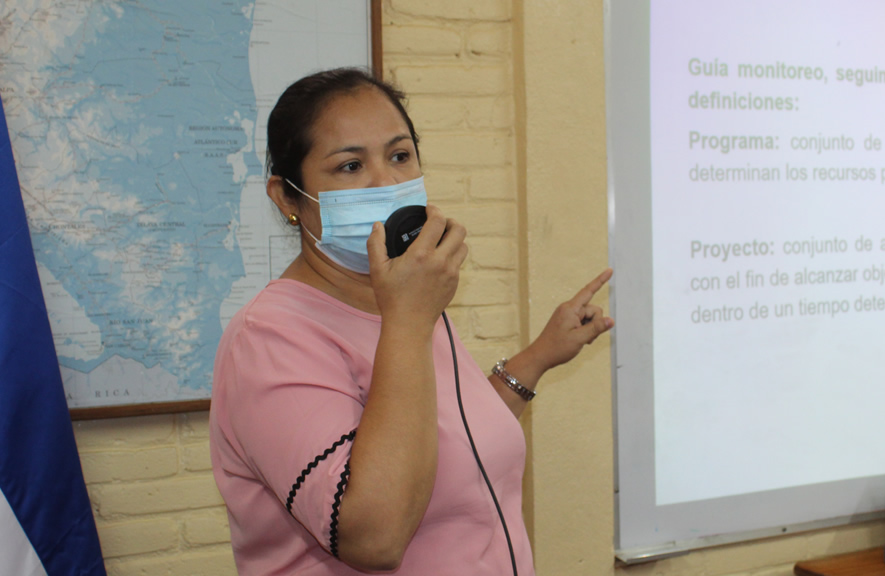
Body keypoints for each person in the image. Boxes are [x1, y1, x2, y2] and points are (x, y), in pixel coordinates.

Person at [208, 67, 613, 576]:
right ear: (287, 198)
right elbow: (373, 536)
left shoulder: (404, 300)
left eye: (400, 156)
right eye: (351, 166)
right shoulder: (269, 340)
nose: (387, 182)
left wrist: (540, 356)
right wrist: (408, 319)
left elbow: (446, 434)